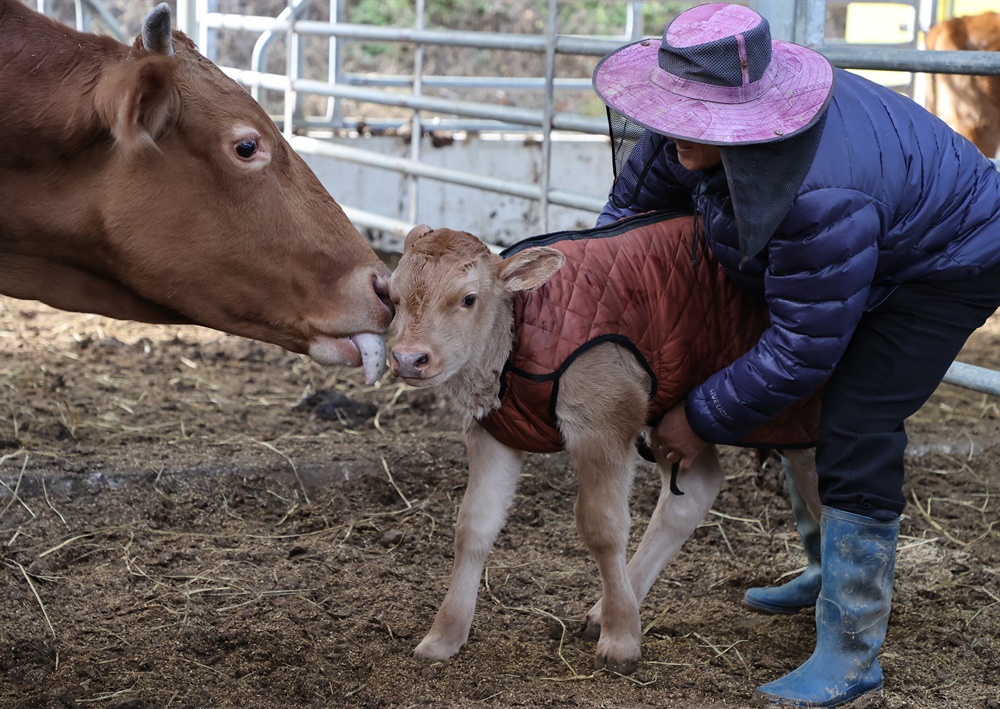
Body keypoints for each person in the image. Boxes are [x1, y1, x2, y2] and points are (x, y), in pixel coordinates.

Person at [591, 3, 1000, 707]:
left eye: (694, 114)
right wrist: (592, 302)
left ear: (743, 115)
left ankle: (851, 647)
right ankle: (823, 567)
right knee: (802, 400)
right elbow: (630, 220)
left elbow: (801, 350)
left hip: (950, 259)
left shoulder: (817, 195)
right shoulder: (687, 134)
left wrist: (699, 415)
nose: (670, 128)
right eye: (671, 110)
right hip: (875, 238)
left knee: (855, 416)